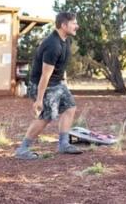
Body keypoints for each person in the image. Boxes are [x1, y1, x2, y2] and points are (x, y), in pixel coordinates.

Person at [15, 12, 83, 159]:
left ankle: (63, 144)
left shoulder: (65, 40)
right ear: (64, 25)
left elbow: (60, 67)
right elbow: (45, 76)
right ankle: (22, 149)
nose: (77, 26)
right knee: (46, 116)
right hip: (43, 85)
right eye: (74, 23)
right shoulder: (53, 45)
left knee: (70, 107)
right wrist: (39, 100)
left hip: (57, 83)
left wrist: (63, 84)